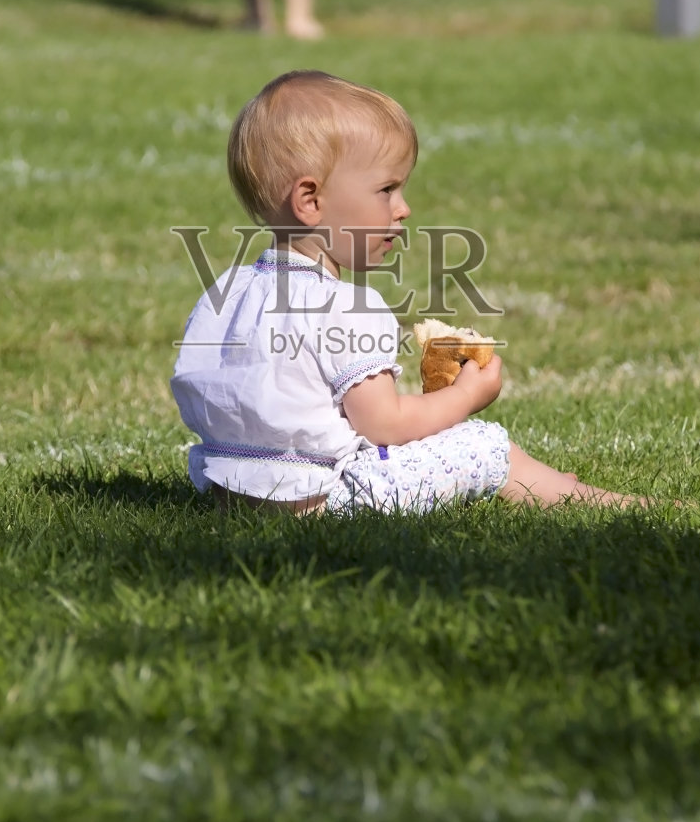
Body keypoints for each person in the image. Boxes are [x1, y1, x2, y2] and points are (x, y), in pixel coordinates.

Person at [170, 70, 654, 515]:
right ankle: (594, 500)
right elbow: (386, 425)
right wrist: (466, 395)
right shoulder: (347, 305)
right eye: (386, 190)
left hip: (232, 496)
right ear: (311, 200)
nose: (403, 208)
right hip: (325, 499)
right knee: (480, 444)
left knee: (459, 444)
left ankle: (539, 480)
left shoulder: (228, 292)